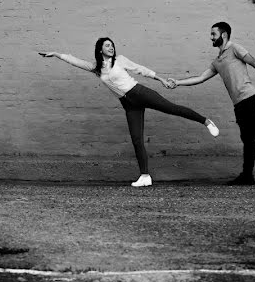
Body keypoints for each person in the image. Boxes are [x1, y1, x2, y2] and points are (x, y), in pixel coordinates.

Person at [40, 37, 219, 187]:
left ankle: (206, 121)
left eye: (112, 45)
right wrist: (57, 54)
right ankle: (145, 176)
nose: (111, 47)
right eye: (107, 45)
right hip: (128, 104)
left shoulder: (121, 60)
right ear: (100, 49)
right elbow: (76, 61)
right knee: (136, 139)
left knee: (172, 108)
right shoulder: (97, 68)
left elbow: (139, 68)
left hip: (140, 93)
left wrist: (160, 79)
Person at [168, 22, 255, 185]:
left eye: (213, 34)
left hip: (249, 97)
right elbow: (200, 78)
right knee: (248, 137)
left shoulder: (235, 48)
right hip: (239, 104)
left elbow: (254, 63)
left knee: (252, 134)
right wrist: (177, 82)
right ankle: (248, 175)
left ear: (224, 34)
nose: (211, 37)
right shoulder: (217, 62)